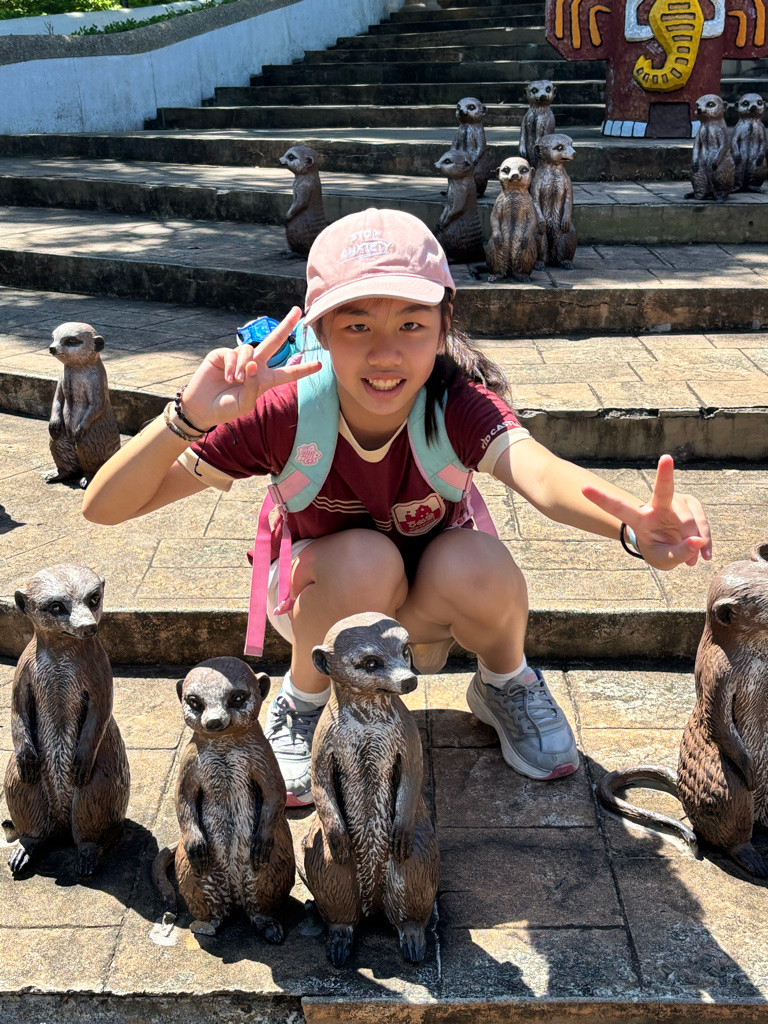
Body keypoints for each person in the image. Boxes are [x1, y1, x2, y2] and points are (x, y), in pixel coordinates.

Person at [83, 208, 712, 807]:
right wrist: (186, 419)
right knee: (365, 557)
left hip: (432, 607)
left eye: (411, 324)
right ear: (319, 333)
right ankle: (304, 699)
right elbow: (103, 508)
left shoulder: (456, 403)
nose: (385, 354)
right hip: (323, 607)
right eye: (357, 325)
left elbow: (541, 474)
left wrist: (633, 526)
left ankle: (505, 682)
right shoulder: (284, 410)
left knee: (481, 562)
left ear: (443, 327)